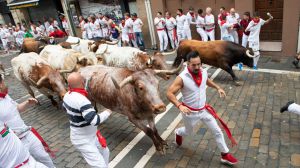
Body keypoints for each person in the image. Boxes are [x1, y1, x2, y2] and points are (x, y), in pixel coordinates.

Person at [167, 51, 238, 165]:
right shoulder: (182, 78)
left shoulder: (203, 71)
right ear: (187, 64)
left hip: (204, 110)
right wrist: (179, 105)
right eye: (193, 65)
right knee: (188, 132)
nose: (197, 67)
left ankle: (225, 155)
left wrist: (217, 87)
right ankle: (178, 132)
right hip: (189, 112)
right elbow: (169, 93)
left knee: (218, 131)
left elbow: (207, 80)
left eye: (199, 64)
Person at [0, 74, 55, 167]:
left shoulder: (5, 96)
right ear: (0, 84)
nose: (5, 83)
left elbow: (16, 108)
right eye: (3, 81)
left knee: (45, 158)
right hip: (16, 142)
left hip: (27, 134)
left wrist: (27, 103)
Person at [63, 72, 112, 168]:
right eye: (83, 80)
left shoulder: (67, 95)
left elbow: (64, 108)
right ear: (82, 83)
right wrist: (108, 111)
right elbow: (95, 120)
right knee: (99, 165)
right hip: (83, 140)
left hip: (90, 134)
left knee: (105, 152)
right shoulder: (82, 100)